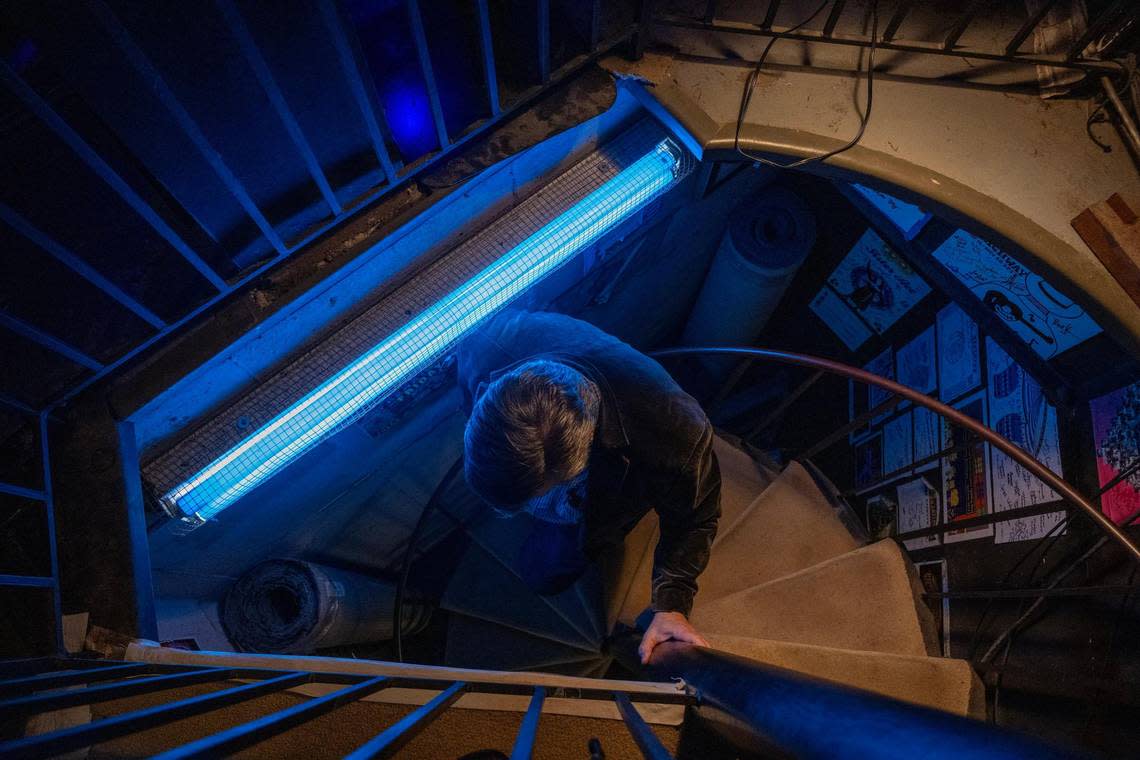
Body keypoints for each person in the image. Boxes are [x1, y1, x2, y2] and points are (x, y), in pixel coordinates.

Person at [457, 310, 720, 663]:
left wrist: (671, 604)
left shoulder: (674, 434)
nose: (538, 509)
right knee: (542, 570)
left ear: (579, 463)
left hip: (606, 503)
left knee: (553, 569)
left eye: (540, 496)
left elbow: (695, 518)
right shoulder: (489, 343)